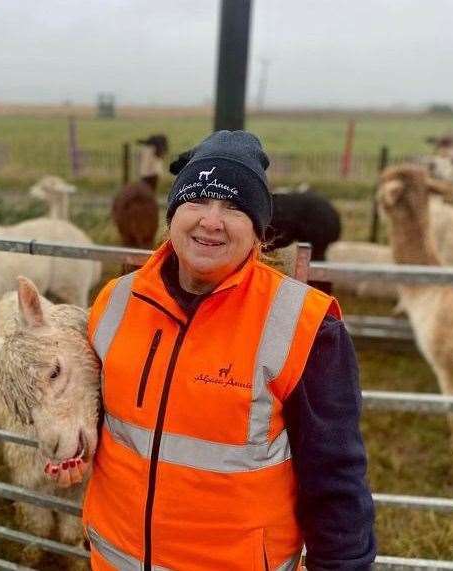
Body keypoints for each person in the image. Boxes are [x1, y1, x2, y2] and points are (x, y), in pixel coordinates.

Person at [79, 131, 376, 570]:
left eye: (234, 206)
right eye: (197, 200)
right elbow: (97, 415)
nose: (211, 221)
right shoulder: (115, 302)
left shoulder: (306, 327)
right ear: (174, 212)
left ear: (258, 231)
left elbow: (336, 479)